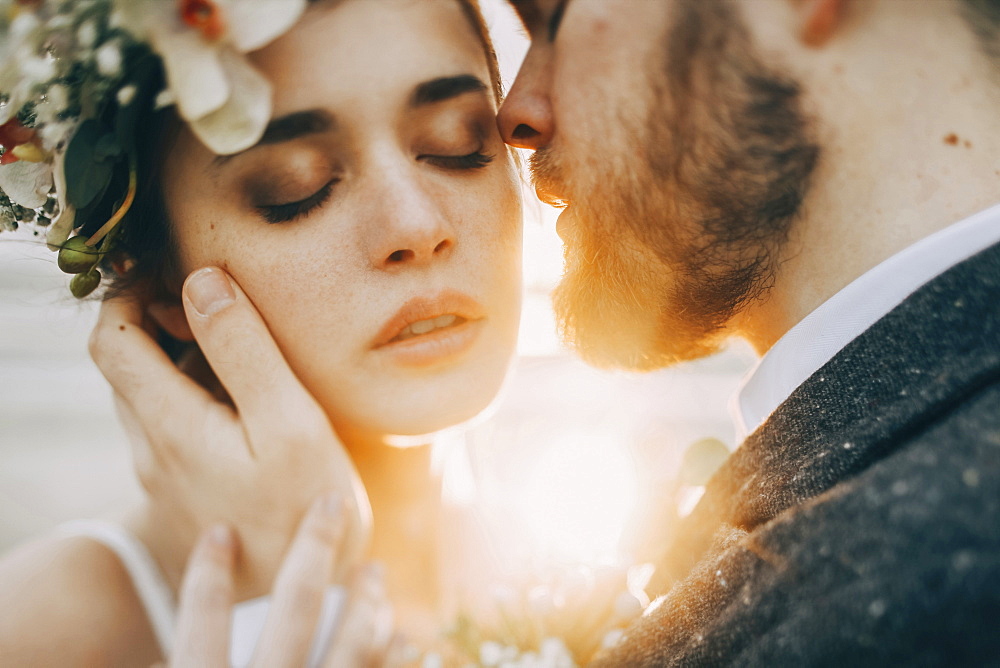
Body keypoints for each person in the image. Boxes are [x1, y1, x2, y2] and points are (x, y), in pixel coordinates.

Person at [176, 0, 1000, 664]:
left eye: (555, 16)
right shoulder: (850, 481)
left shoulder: (926, 584)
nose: (519, 115)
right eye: (295, 190)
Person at [0, 0, 528, 664]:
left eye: (460, 142)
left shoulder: (597, 542)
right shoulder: (43, 633)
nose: (416, 227)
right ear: (159, 283)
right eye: (295, 190)